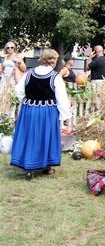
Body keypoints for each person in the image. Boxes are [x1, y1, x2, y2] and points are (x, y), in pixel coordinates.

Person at [10, 49, 71, 180]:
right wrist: (65, 117)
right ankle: (47, 167)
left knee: (30, 136)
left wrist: (27, 102)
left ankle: (29, 167)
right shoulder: (56, 77)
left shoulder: (29, 73)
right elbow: (62, 99)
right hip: (47, 111)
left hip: (29, 110)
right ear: (53, 61)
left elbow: (18, 90)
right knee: (45, 137)